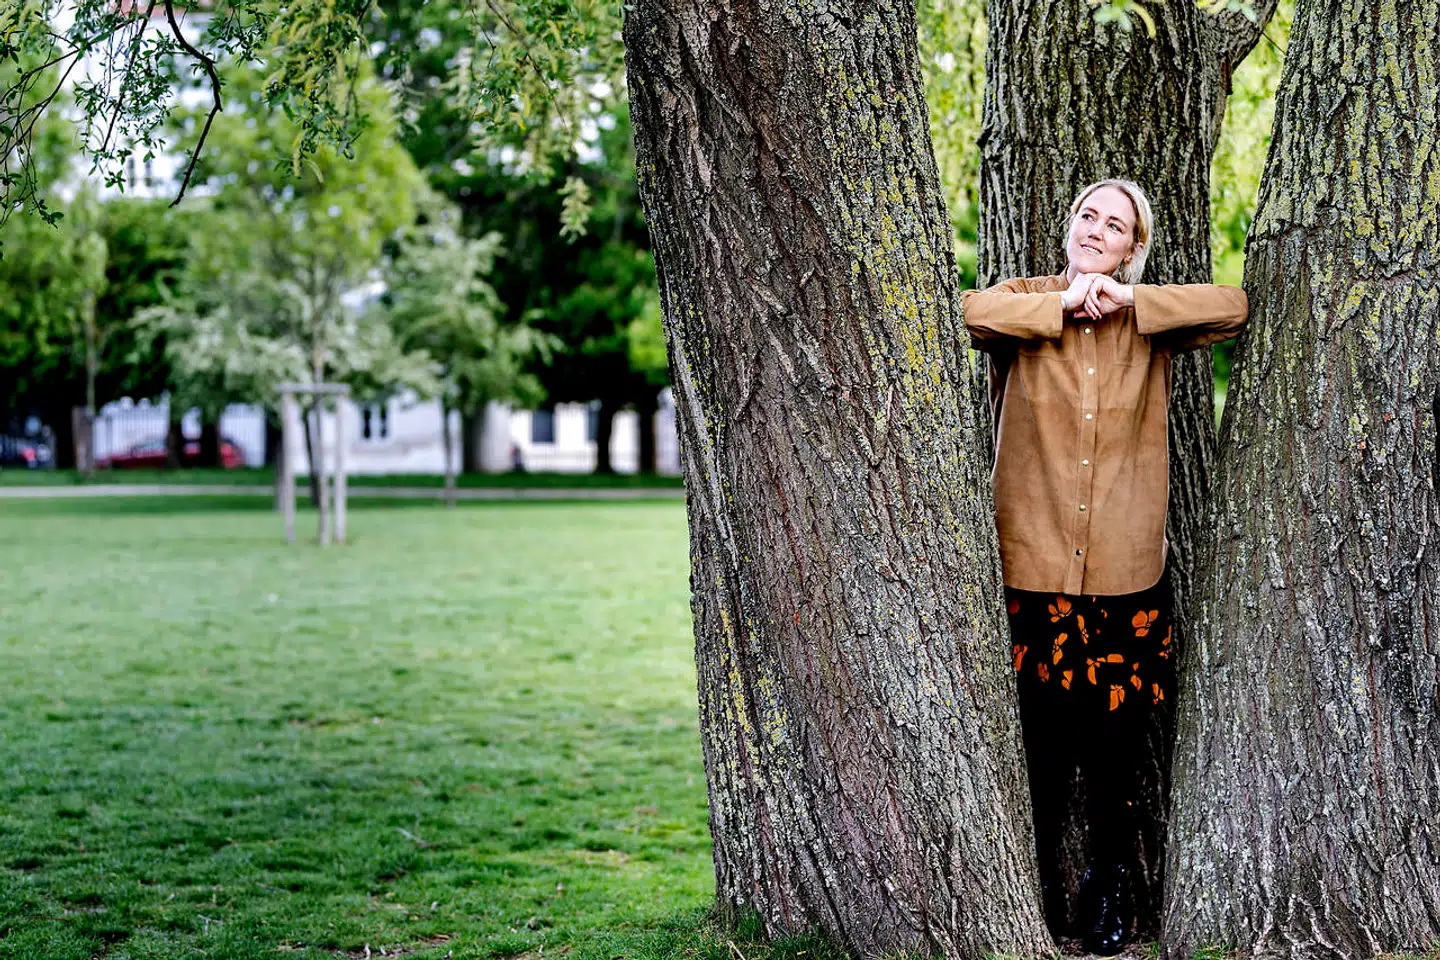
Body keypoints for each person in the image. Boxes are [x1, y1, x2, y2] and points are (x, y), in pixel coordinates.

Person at [960, 179, 1248, 954]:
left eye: (1115, 225)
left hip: (1126, 573)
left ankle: (1109, 880)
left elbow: (1233, 307)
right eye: (1088, 216)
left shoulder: (1148, 322)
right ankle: (1041, 885)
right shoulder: (1026, 301)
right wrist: (1061, 304)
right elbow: (966, 313)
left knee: (1117, 745)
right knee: (1041, 741)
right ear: (1070, 228)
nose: (1096, 230)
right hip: (1033, 564)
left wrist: (1130, 301)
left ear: (1132, 247)